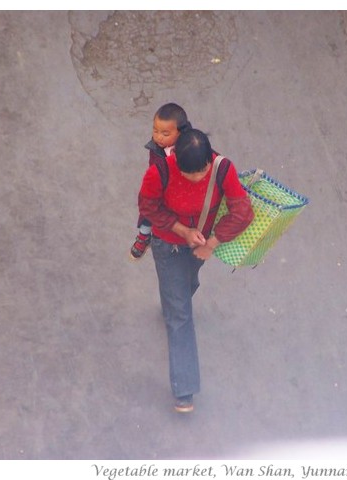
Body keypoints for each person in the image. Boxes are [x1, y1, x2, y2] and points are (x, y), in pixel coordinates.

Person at [138, 128, 254, 413]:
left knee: (185, 288)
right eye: (191, 174)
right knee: (181, 316)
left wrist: (210, 244)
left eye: (203, 171)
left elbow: (243, 212)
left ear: (209, 159)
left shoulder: (222, 168)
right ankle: (185, 390)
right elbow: (148, 207)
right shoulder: (159, 173)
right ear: (177, 162)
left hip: (200, 247)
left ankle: (172, 301)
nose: (199, 178)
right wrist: (181, 230)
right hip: (168, 246)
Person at [130, 103, 192, 260]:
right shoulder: (156, 147)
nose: (158, 137)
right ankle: (144, 235)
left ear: (181, 132)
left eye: (165, 134)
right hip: (161, 184)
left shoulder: (192, 147)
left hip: (183, 188)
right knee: (148, 202)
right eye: (155, 130)